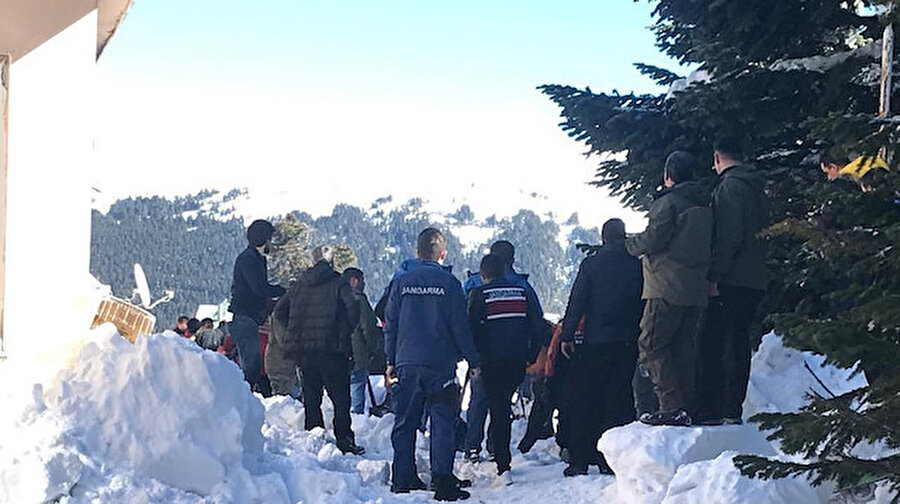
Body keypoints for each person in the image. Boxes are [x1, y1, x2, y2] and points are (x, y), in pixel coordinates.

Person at [385, 228, 479, 501]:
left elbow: (391, 324)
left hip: (407, 362)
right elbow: (459, 326)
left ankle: (402, 477)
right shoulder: (449, 284)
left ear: (418, 252)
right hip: (440, 364)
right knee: (442, 422)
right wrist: (473, 359)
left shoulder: (401, 282)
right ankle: (442, 479)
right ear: (443, 253)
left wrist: (390, 359)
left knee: (405, 422)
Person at [625, 151, 713, 427]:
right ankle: (687, 405)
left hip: (665, 285)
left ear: (668, 175)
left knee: (650, 344)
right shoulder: (704, 205)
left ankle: (671, 406)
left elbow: (654, 239)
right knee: (683, 348)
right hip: (696, 288)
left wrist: (629, 245)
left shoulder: (669, 204)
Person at [558, 218, 643, 476]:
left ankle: (580, 459)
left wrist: (567, 335)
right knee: (619, 399)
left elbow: (578, 301)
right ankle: (612, 460)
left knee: (587, 398)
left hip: (596, 341)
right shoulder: (636, 266)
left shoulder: (591, 264)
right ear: (624, 236)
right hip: (627, 341)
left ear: (603, 238)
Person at [694, 139, 767, 425]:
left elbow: (729, 236)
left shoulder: (730, 188)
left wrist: (715, 275)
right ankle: (731, 407)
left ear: (717, 158)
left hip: (732, 277)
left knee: (715, 341)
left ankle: (714, 408)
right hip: (753, 277)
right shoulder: (756, 188)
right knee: (737, 340)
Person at [273, 245, 363, 455]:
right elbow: (353, 310)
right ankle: (344, 439)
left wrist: (294, 331)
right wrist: (343, 331)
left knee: (311, 396)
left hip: (304, 350)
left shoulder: (298, 285)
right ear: (331, 262)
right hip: (332, 349)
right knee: (340, 398)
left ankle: (314, 436)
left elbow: (279, 311)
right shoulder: (339, 282)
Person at [466, 254, 547, 483]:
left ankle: (502, 463)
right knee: (503, 409)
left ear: (483, 275)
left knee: (496, 407)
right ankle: (499, 453)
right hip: (516, 361)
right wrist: (529, 357)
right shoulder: (521, 293)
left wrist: (474, 359)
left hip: (491, 362)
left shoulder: (480, 295)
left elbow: (471, 329)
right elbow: (539, 327)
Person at [228, 220, 286, 393]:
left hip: (249, 318)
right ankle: (244, 399)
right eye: (269, 238)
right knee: (251, 366)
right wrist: (282, 290)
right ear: (263, 239)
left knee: (251, 364)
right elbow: (260, 288)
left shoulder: (255, 258)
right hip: (246, 318)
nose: (271, 243)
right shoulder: (249, 259)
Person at [342, 267, 387, 415]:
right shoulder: (359, 300)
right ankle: (357, 419)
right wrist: (373, 349)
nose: (364, 284)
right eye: (362, 280)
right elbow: (368, 327)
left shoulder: (335, 297)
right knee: (357, 388)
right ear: (354, 280)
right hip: (358, 351)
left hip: (338, 351)